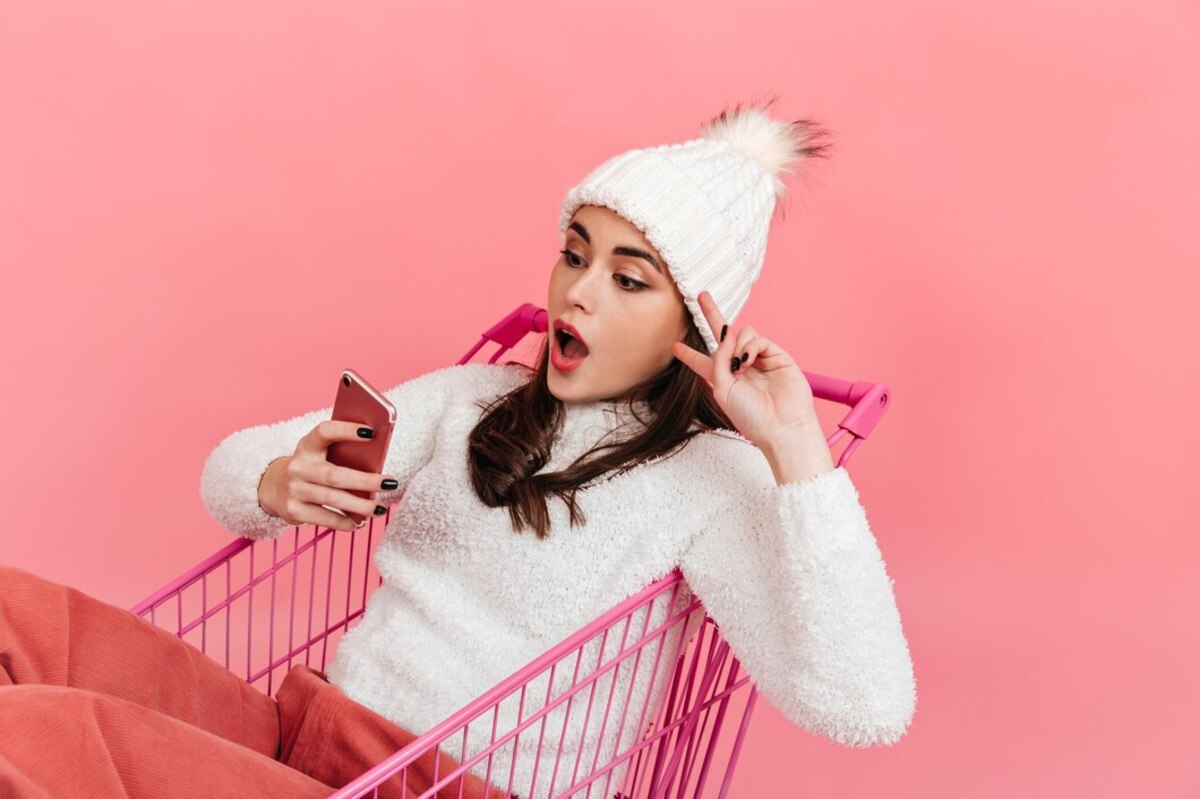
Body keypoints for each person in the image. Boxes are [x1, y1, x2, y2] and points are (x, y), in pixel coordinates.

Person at [0, 99, 917, 798]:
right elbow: (233, 471)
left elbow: (864, 705)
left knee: (45, 737)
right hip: (313, 739)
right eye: (574, 253)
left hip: (443, 786)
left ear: (697, 321)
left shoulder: (712, 482)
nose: (577, 294)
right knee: (14, 612)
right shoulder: (471, 401)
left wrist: (798, 452)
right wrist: (281, 479)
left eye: (628, 278)